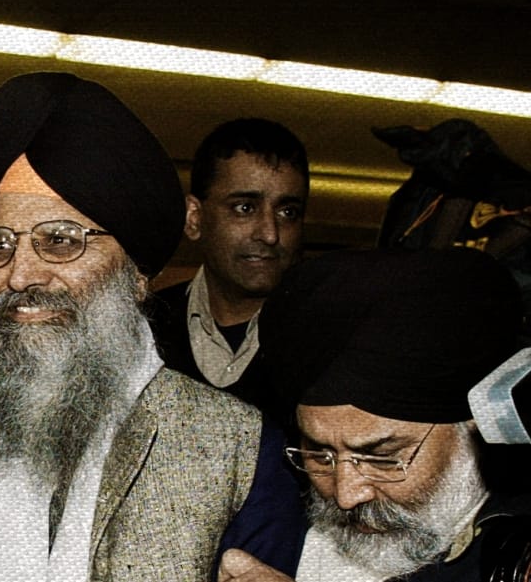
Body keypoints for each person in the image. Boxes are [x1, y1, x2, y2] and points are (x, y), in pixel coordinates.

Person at [0, 72, 304, 582]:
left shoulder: (238, 449)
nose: (21, 274)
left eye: (61, 240)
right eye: (0, 244)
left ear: (135, 276)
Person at [221, 248, 531, 582]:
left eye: (381, 458)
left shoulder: (517, 552)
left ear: (473, 427)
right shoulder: (275, 517)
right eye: (320, 455)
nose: (345, 494)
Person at [150, 118, 309, 416]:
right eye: (245, 208)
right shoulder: (143, 330)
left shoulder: (329, 338)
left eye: (288, 212)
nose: (270, 233)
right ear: (194, 218)